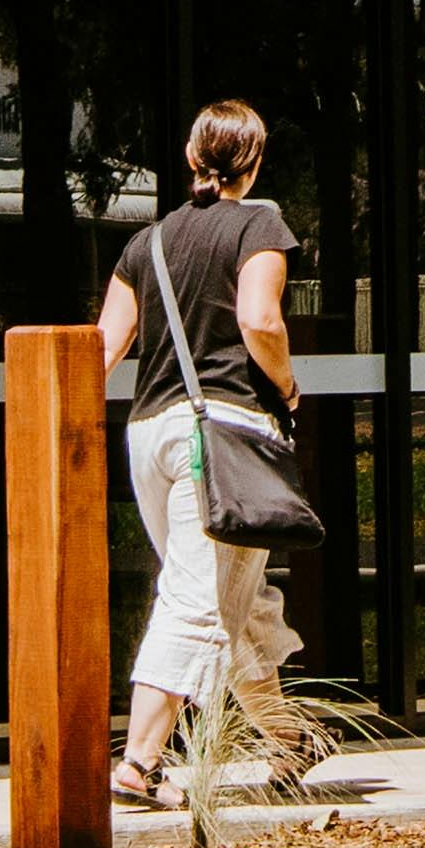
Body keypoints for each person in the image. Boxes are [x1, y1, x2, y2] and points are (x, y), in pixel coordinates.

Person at [101, 95, 314, 803]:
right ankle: (138, 763)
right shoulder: (260, 224)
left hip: (150, 437)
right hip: (223, 435)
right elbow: (260, 320)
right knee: (197, 598)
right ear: (253, 164)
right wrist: (286, 387)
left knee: (237, 598)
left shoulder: (148, 243)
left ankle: (286, 741)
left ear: (192, 158)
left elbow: (102, 349)